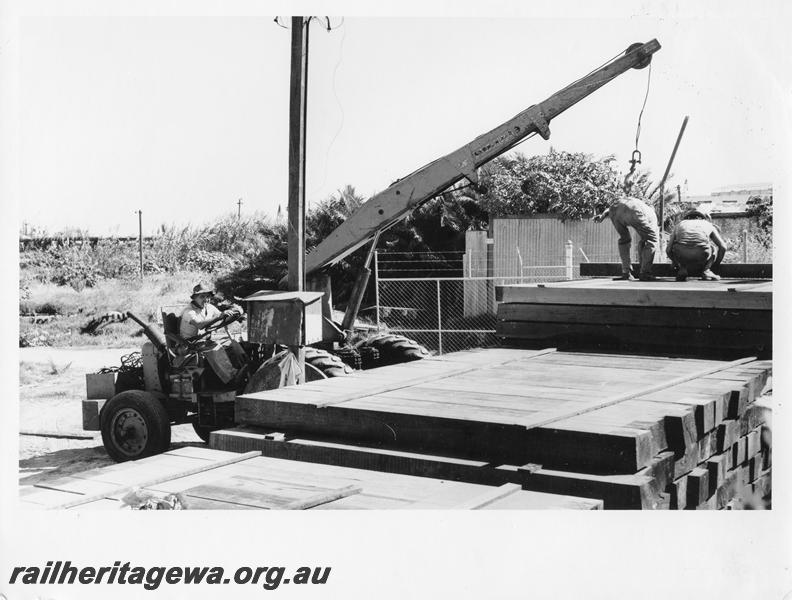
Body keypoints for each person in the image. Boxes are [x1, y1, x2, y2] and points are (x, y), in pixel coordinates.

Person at [594, 196, 659, 281]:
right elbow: (649, 239)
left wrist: (602, 215)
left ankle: (626, 272)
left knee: (624, 240)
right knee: (652, 240)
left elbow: (613, 207)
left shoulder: (639, 203)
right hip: (632, 209)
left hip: (614, 208)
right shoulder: (652, 213)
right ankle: (645, 273)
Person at [666, 207, 727, 281]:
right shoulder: (707, 224)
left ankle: (682, 269)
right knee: (713, 248)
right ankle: (707, 270)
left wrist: (675, 263)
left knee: (675, 247)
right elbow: (723, 247)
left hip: (682, 254)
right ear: (702, 218)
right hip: (701, 254)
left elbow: (668, 250)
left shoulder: (679, 225)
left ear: (687, 218)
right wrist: (715, 265)